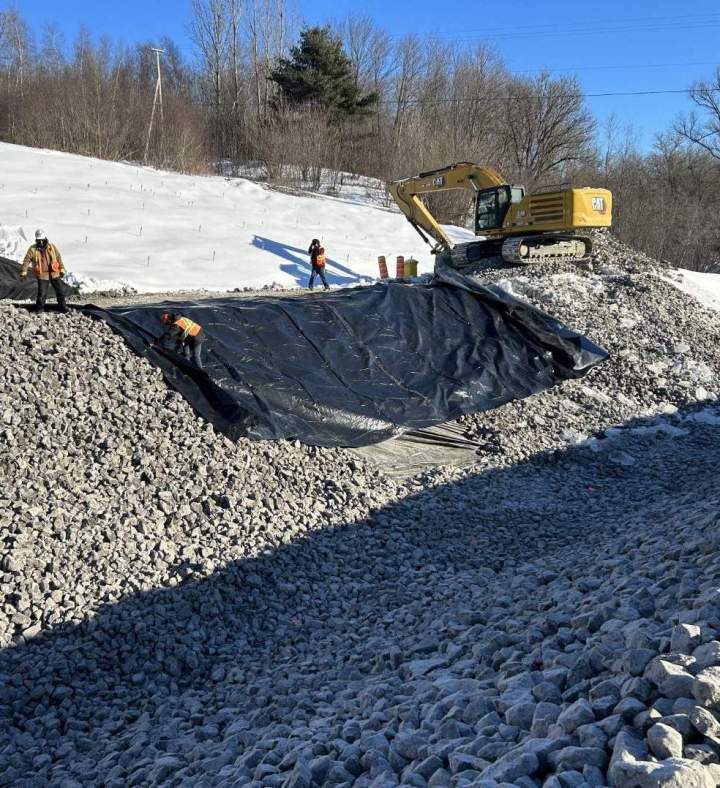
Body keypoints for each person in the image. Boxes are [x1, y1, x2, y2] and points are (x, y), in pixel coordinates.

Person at [20, 229, 68, 313]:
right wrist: (24, 271)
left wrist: (62, 269)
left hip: (54, 273)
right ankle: (39, 310)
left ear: (45, 238)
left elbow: (58, 258)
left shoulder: (52, 247)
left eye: (42, 240)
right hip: (42, 274)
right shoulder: (32, 249)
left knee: (60, 291)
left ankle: (62, 307)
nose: (41, 242)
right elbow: (26, 260)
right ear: (36, 240)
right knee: (42, 294)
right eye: (39, 240)